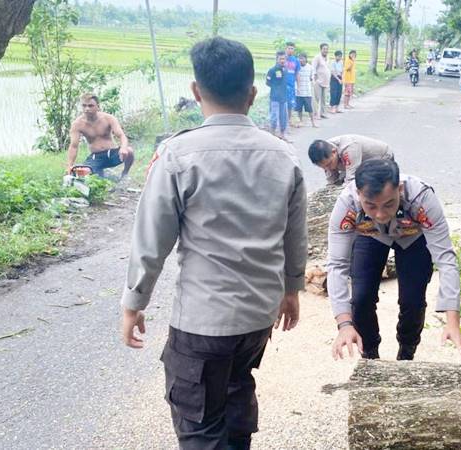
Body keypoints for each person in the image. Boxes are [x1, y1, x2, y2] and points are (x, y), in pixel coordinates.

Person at [119, 36, 307, 450]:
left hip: (203, 323)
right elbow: (295, 235)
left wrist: (134, 303)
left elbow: (152, 241)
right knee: (236, 408)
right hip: (257, 319)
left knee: (200, 426)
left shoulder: (178, 155)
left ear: (196, 91)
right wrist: (291, 290)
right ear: (253, 94)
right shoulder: (283, 156)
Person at [327, 159, 461, 361]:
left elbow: (446, 259)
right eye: (370, 205)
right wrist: (344, 325)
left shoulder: (422, 198)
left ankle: (407, 351)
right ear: (358, 194)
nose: (380, 214)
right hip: (370, 234)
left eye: (388, 204)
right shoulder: (347, 203)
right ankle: (369, 353)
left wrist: (453, 321)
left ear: (399, 188)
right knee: (361, 299)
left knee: (413, 301)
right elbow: (337, 265)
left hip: (413, 236)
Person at [66, 93, 134, 178]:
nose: (87, 109)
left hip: (112, 154)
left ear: (98, 106)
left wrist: (123, 148)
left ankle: (124, 174)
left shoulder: (108, 118)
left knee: (129, 151)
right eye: (84, 106)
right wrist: (69, 165)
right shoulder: (77, 124)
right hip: (96, 157)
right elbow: (73, 146)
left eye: (90, 106)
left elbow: (121, 135)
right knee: (82, 173)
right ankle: (103, 174)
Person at [308, 134, 394, 184]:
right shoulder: (324, 153)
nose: (327, 169)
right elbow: (333, 181)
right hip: (360, 163)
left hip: (382, 159)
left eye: (329, 164)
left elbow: (350, 181)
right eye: (323, 167)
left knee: (370, 188)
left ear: (334, 152)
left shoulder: (349, 148)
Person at [266, 50, 289, 140]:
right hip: (274, 98)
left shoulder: (285, 70)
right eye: (280, 59)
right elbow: (267, 82)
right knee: (274, 117)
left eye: (284, 59)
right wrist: (275, 88)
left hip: (283, 97)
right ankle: (272, 136)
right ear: (277, 59)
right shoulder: (272, 70)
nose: (282, 60)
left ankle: (282, 135)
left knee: (283, 117)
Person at [295, 53, 317, 128]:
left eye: (302, 58)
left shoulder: (310, 67)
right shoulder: (296, 68)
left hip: (307, 92)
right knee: (299, 109)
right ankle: (301, 121)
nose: (300, 60)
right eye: (299, 58)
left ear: (305, 59)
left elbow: (312, 78)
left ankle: (313, 123)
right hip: (298, 92)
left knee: (310, 109)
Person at [312, 42, 331, 120]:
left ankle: (323, 113)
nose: (325, 50)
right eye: (324, 49)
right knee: (317, 98)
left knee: (324, 98)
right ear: (321, 49)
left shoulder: (327, 58)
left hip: (326, 82)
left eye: (327, 49)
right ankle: (316, 114)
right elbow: (313, 68)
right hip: (318, 81)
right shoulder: (317, 57)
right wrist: (315, 78)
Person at [284, 42, 300, 126]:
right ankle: (283, 120)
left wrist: (298, 86)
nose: (290, 50)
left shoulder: (296, 61)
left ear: (294, 50)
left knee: (290, 104)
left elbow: (297, 74)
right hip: (282, 86)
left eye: (292, 48)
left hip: (291, 85)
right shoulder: (282, 59)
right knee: (283, 103)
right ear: (285, 49)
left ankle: (289, 120)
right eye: (289, 48)